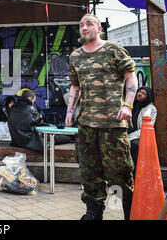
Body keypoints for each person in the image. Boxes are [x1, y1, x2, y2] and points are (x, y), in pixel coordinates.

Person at [66, 13, 138, 220]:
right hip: (86, 123)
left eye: (89, 24)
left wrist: (128, 105)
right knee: (89, 171)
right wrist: (70, 110)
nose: (84, 27)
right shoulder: (75, 56)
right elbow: (74, 85)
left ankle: (123, 212)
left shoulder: (113, 49)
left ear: (99, 29)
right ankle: (93, 213)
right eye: (81, 25)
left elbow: (130, 75)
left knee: (119, 172)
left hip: (113, 123)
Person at [128, 86, 157, 172]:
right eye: (139, 92)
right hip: (125, 133)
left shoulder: (151, 109)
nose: (139, 94)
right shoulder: (130, 105)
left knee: (136, 145)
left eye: (143, 93)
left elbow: (147, 128)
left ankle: (136, 174)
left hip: (137, 136)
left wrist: (129, 137)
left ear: (148, 97)